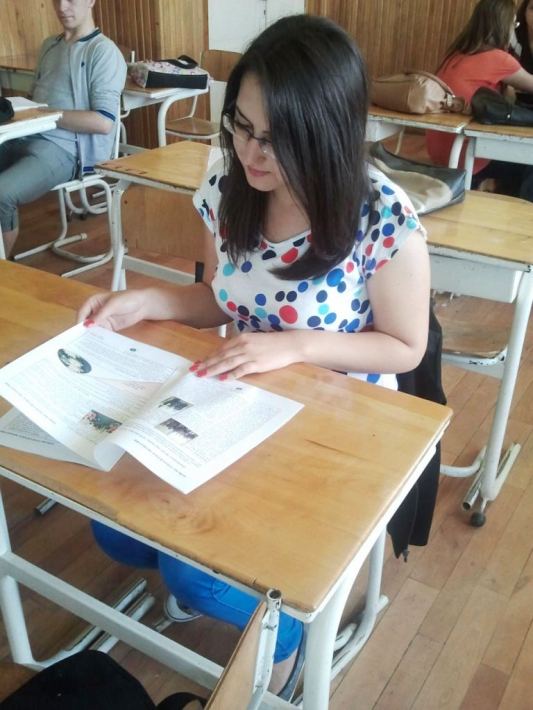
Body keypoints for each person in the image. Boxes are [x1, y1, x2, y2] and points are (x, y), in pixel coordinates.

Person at [78, 14, 430, 695]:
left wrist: (294, 345)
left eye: (274, 139)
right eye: (240, 125)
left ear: (326, 135)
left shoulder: (380, 216)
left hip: (339, 425)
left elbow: (405, 346)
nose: (250, 152)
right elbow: (220, 298)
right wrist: (149, 300)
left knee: (192, 573)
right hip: (238, 399)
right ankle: (227, 590)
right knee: (115, 528)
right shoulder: (226, 185)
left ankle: (287, 640)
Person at [0, 0, 126, 257]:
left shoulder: (102, 51)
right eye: (57, 0)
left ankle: (5, 271)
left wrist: (48, 116)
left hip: (66, 150)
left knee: (2, 194)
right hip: (25, 135)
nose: (62, 7)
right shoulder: (50, 45)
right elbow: (34, 98)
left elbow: (103, 122)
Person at [426, 0, 533, 193]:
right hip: (467, 156)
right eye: (514, 24)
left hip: (440, 153)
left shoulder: (455, 55)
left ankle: (490, 186)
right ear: (504, 26)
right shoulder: (499, 59)